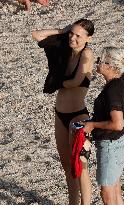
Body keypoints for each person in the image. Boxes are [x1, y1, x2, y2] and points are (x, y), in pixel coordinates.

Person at [32, 19, 94, 205]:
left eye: (78, 35)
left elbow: (76, 81)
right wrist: (63, 29)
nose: (72, 38)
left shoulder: (87, 54)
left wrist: (57, 83)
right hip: (60, 114)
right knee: (67, 166)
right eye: (71, 34)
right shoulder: (65, 50)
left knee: (81, 167)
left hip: (78, 116)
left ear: (88, 38)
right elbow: (36, 34)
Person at [81, 47, 124, 205]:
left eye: (99, 61)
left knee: (107, 191)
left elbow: (117, 124)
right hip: (122, 141)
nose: (97, 63)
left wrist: (92, 125)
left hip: (110, 144)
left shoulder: (112, 90)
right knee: (115, 185)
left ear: (109, 66)